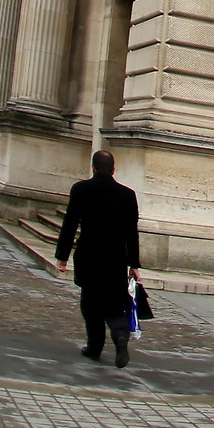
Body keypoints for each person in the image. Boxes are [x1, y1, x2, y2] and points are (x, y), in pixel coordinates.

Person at [54, 150, 143, 368]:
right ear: (114, 170)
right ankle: (120, 336)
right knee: (114, 305)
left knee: (91, 304)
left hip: (89, 256)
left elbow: (70, 224)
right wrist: (134, 264)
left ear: (93, 167)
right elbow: (132, 232)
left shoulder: (81, 189)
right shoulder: (128, 195)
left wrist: (62, 256)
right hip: (116, 258)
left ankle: (94, 346)